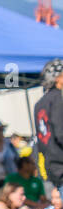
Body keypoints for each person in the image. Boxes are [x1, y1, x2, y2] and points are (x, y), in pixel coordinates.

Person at [34, 58, 63, 190]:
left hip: (52, 167)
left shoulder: (40, 104)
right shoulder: (58, 98)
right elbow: (61, 133)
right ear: (58, 78)